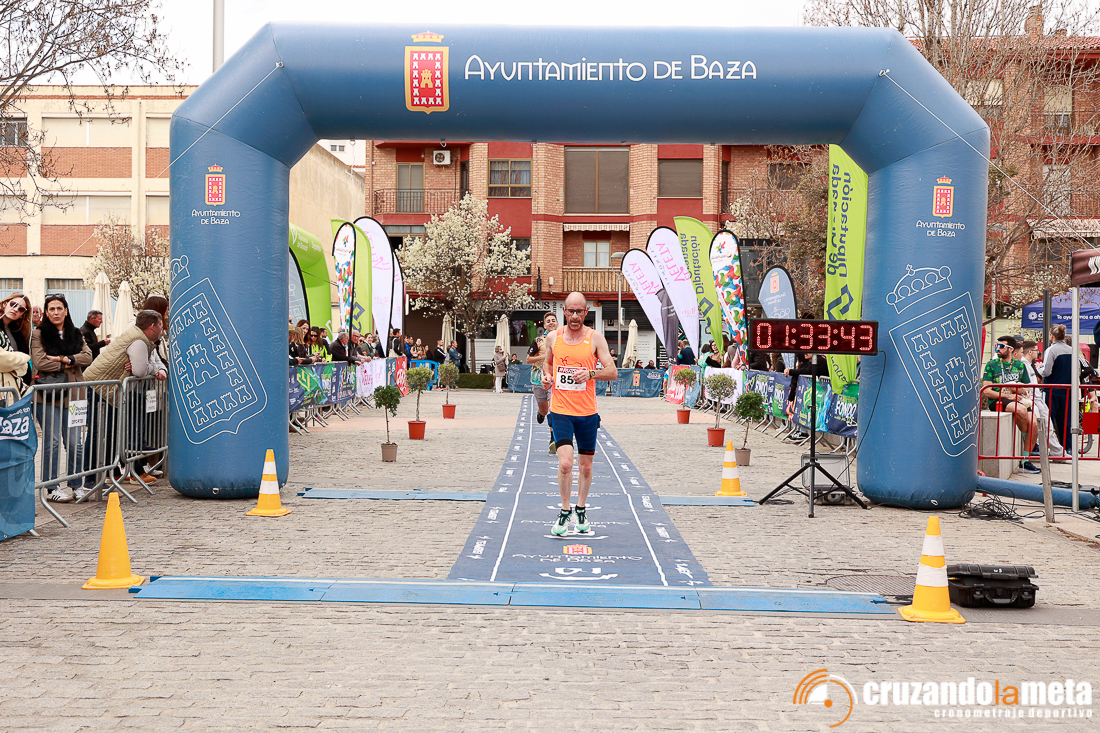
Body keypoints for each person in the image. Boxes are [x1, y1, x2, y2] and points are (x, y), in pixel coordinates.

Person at [540, 292, 617, 537]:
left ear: (586, 312)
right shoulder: (553, 337)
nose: (574, 316)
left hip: (587, 413)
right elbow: (547, 364)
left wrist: (591, 374)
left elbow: (613, 371)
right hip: (560, 410)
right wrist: (547, 377)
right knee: (565, 463)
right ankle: (565, 511)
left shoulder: (595, 338)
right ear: (564, 311)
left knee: (585, 467)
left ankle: (581, 509)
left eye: (579, 312)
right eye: (571, 311)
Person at [84, 310, 167, 488]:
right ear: (152, 326)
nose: (163, 329)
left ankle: (110, 471)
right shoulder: (139, 341)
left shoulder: (140, 339)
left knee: (111, 432)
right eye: (161, 325)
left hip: (109, 390)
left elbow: (140, 368)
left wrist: (145, 366)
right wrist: (150, 367)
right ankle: (91, 479)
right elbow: (139, 371)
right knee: (98, 434)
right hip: (101, 389)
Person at [31, 294, 94, 502]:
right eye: (52, 309)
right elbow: (40, 362)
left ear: (66, 310)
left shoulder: (76, 333)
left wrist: (64, 359)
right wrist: (70, 363)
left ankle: (77, 485)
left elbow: (88, 356)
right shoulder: (38, 334)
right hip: (49, 395)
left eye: (59, 308)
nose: (56, 312)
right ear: (46, 312)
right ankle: (52, 488)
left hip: (75, 395)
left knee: (75, 443)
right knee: (53, 442)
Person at [982, 335, 1040, 474]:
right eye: (997, 346)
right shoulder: (992, 364)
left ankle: (1025, 461)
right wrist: (1008, 394)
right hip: (999, 399)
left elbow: (1026, 388)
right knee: (1021, 411)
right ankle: (1026, 438)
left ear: (1010, 349)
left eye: (1001, 346)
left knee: (1034, 423)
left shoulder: (1020, 365)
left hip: (1018, 398)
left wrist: (1018, 389)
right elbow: (987, 391)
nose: (998, 349)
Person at [1019, 340, 1069, 461]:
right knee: (1047, 427)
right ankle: (1057, 453)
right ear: (1030, 352)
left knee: (1046, 427)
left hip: (1036, 398)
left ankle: (1056, 452)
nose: (1038, 352)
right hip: (1034, 399)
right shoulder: (1024, 365)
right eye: (1036, 350)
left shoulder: (1028, 365)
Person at [526, 311, 559, 432]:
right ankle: (541, 412)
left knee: (553, 409)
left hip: (555, 379)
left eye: (553, 321)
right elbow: (528, 359)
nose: (551, 323)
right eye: (548, 321)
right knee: (545, 410)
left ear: (557, 323)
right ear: (544, 325)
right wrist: (543, 357)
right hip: (538, 378)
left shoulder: (562, 339)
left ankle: (553, 437)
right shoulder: (538, 340)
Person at [0, 293, 32, 391]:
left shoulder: (17, 333)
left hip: (14, 387)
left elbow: (25, 367)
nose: (16, 309)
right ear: (5, 304)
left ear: (22, 315)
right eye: (13, 304)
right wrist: (24, 358)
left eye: (21, 309)